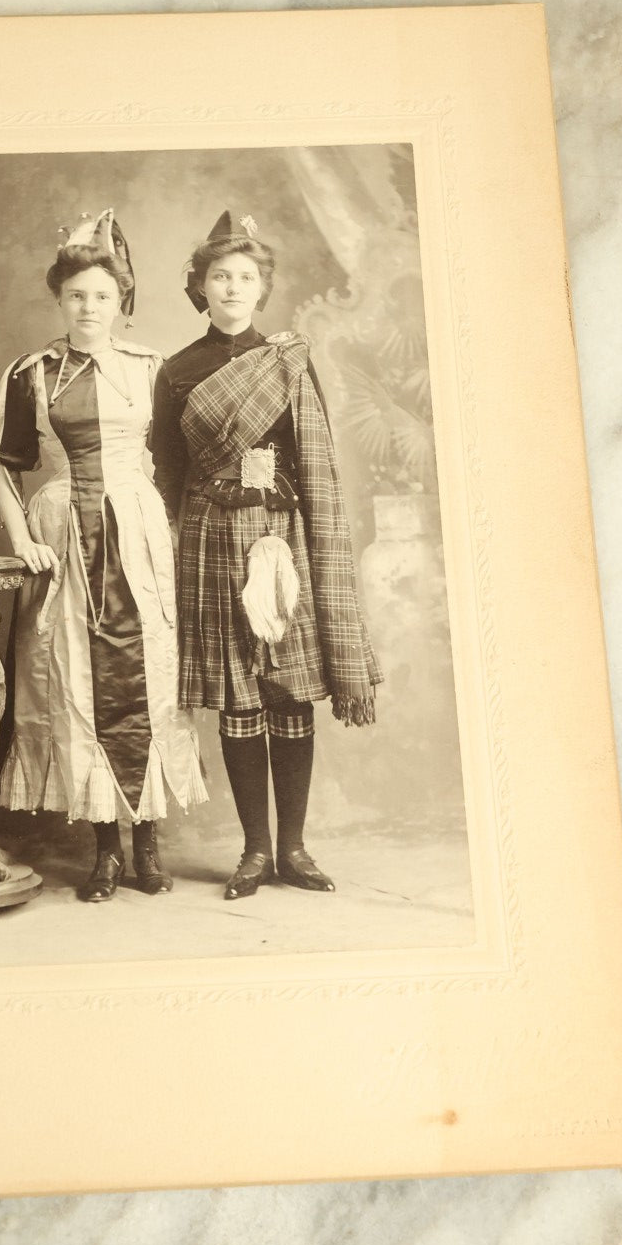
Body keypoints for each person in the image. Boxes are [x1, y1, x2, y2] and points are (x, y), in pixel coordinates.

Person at [151, 210, 383, 900]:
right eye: (219, 276)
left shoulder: (288, 362)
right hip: (211, 539)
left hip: (279, 540)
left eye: (245, 277)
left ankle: (294, 848)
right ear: (199, 285)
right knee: (238, 699)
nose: (231, 287)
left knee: (286, 691)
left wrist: (302, 528)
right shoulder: (177, 372)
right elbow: (167, 471)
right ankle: (253, 851)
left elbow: (316, 459)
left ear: (262, 289)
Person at [0, 208, 206, 902]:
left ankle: (149, 843)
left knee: (151, 676)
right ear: (59, 299)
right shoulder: (33, 372)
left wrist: (173, 536)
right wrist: (23, 542)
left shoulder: (151, 370)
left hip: (137, 530)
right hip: (63, 535)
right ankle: (104, 849)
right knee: (74, 679)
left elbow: (177, 462)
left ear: (121, 303)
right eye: (76, 294)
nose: (89, 307)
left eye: (102, 295)